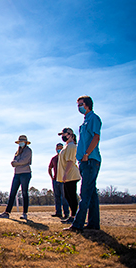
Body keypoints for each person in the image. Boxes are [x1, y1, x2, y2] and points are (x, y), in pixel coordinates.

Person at [64, 95, 102, 232]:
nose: (78, 107)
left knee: (84, 193)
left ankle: (77, 224)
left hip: (90, 160)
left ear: (86, 105)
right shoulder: (84, 122)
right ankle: (93, 224)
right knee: (91, 194)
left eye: (80, 104)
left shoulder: (94, 119)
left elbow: (96, 137)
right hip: (84, 161)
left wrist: (87, 154)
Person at [0, 135, 32, 220]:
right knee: (12, 193)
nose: (21, 143)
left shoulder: (28, 151)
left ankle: (25, 213)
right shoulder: (17, 152)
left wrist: (16, 163)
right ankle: (7, 212)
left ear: (26, 142)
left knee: (24, 193)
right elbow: (14, 162)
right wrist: (15, 163)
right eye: (20, 142)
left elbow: (25, 161)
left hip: (25, 173)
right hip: (17, 174)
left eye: (22, 142)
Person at [56, 128, 81, 223]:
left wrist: (65, 173)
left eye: (64, 134)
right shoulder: (66, 146)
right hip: (67, 175)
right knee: (67, 195)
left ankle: (74, 216)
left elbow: (70, 161)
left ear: (70, 135)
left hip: (71, 174)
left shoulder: (71, 146)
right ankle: (73, 215)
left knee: (71, 196)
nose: (63, 136)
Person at [48, 143, 70, 219]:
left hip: (63, 180)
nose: (59, 149)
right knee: (57, 197)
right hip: (55, 180)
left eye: (61, 148)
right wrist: (52, 177)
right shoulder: (54, 159)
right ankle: (58, 212)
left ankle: (66, 213)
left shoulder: (65, 158)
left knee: (64, 197)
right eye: (58, 148)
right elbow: (49, 168)